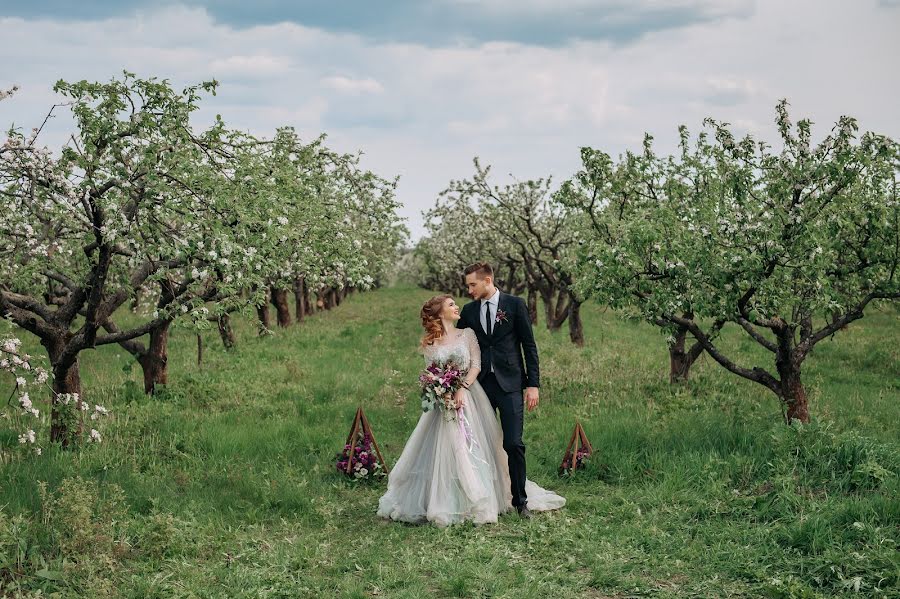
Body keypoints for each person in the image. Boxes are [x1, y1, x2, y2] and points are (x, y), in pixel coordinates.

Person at [376, 294, 563, 527]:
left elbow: (476, 364)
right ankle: (445, 499)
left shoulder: (467, 334)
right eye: (451, 305)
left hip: (470, 397)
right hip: (444, 402)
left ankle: (490, 496)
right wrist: (440, 390)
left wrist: (461, 389)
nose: (457, 307)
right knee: (446, 449)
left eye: (455, 303)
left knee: (475, 444)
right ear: (439, 313)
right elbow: (432, 372)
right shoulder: (430, 344)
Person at [458, 262, 539, 517]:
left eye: (473, 284)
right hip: (479, 387)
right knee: (479, 444)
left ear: (488, 280)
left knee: (513, 443)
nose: (470, 290)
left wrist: (533, 384)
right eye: (468, 286)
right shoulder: (469, 311)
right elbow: (459, 346)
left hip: (511, 384)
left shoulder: (515, 305)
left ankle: (520, 501)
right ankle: (486, 498)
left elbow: (529, 345)